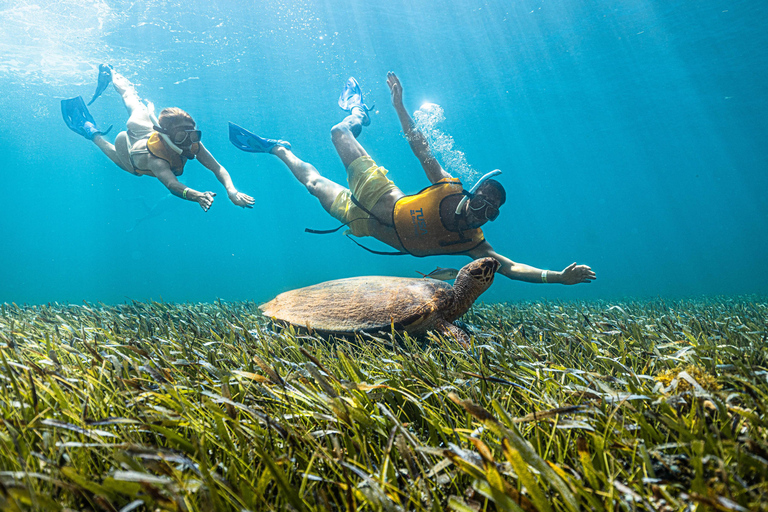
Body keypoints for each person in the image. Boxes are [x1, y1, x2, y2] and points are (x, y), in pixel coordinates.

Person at [228, 72, 595, 285]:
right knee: (339, 132)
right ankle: (359, 112)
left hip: (362, 222)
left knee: (312, 186)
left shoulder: (471, 241)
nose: (482, 211)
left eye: (491, 211)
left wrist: (557, 277)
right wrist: (399, 107)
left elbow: (510, 267)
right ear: (473, 189)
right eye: (482, 198)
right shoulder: (448, 187)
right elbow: (422, 149)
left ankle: (278, 149)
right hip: (377, 190)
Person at [61, 64, 254, 211]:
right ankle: (91, 132)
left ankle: (111, 72)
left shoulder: (191, 142)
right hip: (133, 155)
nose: (189, 141)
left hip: (145, 129)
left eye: (193, 134)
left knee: (133, 99)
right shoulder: (157, 161)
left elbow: (217, 167)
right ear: (167, 133)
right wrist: (197, 196)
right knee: (115, 152)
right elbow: (172, 185)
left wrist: (231, 190)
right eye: (182, 135)